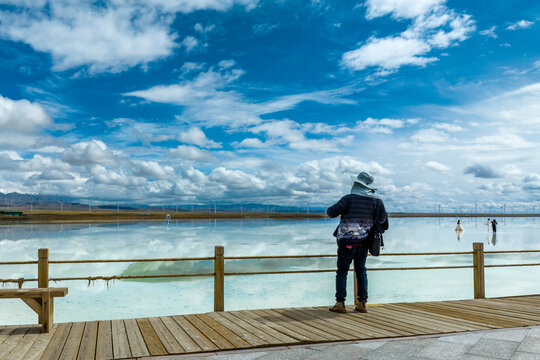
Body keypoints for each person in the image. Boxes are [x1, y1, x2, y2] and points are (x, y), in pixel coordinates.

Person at [326, 172, 388, 313]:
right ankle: (362, 303)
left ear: (357, 184)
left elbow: (330, 212)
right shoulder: (377, 201)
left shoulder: (348, 199)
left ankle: (340, 303)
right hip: (365, 242)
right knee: (361, 271)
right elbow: (383, 219)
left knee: (342, 271)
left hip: (346, 242)